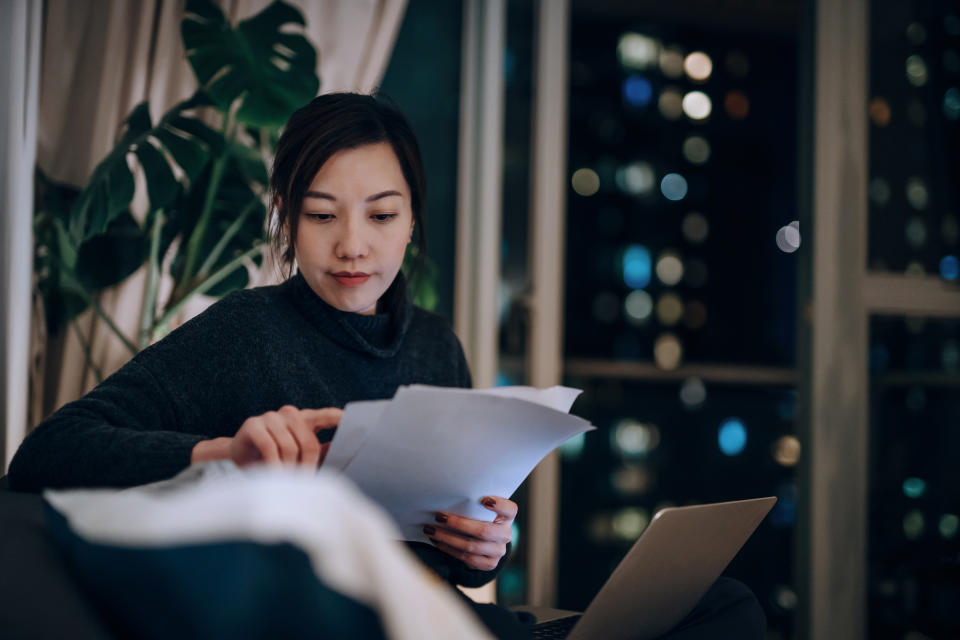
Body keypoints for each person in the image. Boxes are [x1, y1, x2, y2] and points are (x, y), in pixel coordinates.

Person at [8, 93, 764, 639]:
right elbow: (42, 458)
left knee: (727, 604)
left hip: (454, 618)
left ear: (412, 219)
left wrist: (484, 546)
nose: (353, 246)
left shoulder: (435, 346)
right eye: (321, 213)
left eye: (381, 214)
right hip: (343, 620)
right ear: (284, 215)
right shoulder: (243, 331)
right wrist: (222, 453)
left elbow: (454, 556)